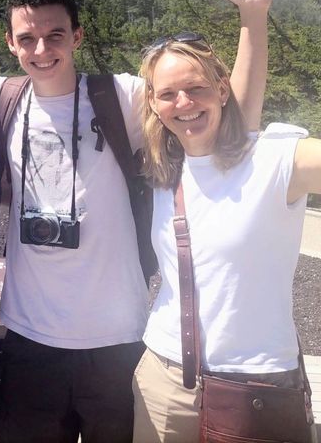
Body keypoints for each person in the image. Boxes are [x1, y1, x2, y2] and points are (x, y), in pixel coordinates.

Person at [0, 0, 273, 443]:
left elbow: (229, 118)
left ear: (78, 36)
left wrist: (253, 17)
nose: (42, 50)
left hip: (119, 337)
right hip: (28, 338)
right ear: (9, 43)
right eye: (27, 38)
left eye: (56, 35)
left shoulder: (121, 96)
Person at [132, 24, 319, 441]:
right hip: (163, 378)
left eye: (196, 88)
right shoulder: (164, 169)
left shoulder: (274, 158)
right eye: (168, 94)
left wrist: (254, 15)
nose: (184, 103)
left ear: (221, 90)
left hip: (255, 384)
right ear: (154, 103)